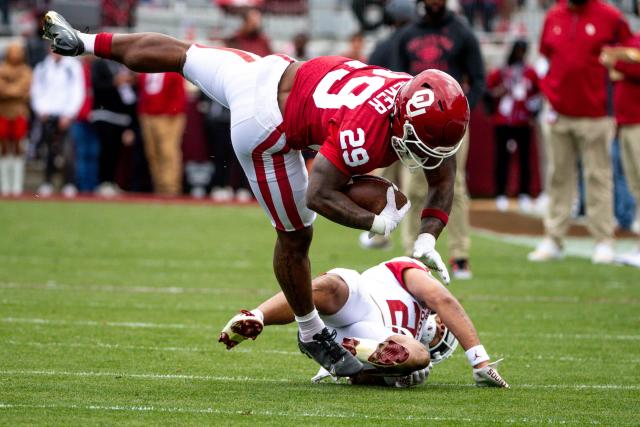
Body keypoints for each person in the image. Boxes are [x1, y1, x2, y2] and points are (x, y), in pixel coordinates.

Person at [43, 10, 468, 377]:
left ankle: (82, 40)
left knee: (182, 54)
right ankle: (311, 332)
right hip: (267, 128)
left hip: (269, 70)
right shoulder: (365, 130)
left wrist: (428, 237)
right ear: (402, 116)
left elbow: (443, 175)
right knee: (297, 235)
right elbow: (319, 193)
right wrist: (376, 223)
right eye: (417, 143)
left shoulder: (407, 93)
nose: (421, 156)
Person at [219, 256, 509, 388]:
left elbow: (416, 352)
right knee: (331, 287)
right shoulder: (411, 273)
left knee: (416, 358)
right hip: (365, 299)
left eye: (438, 340)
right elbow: (444, 300)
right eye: (445, 329)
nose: (441, 329)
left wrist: (398, 376)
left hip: (374, 338)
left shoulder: (412, 343)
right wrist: (480, 362)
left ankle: (335, 352)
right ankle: (257, 316)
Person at [529, 0, 632, 264]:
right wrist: (547, 89)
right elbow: (544, 56)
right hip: (559, 110)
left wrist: (612, 71)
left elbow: (630, 49)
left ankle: (603, 240)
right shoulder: (554, 15)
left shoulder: (610, 16)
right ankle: (553, 238)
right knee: (558, 176)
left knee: (598, 176)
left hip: (596, 112)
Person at [394, 0, 485, 280]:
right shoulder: (408, 34)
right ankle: (411, 253)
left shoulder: (462, 32)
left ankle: (460, 255)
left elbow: (478, 79)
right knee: (414, 186)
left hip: (451, 126)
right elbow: (396, 79)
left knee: (454, 186)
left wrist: (463, 113)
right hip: (414, 125)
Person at [486, 39, 540, 212]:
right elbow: (487, 92)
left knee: (524, 159)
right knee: (502, 158)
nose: (520, 54)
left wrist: (533, 114)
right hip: (503, 121)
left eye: (523, 51)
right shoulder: (501, 71)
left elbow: (537, 95)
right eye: (518, 50)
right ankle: (500, 194)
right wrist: (495, 100)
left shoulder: (530, 72)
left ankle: (524, 193)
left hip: (523, 121)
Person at [601, 38, 640, 267]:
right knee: (635, 186)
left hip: (637, 121)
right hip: (626, 121)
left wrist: (618, 63)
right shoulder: (631, 40)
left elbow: (617, 66)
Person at [30, 50, 84, 197]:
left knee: (67, 152)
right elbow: (36, 91)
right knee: (48, 151)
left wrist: (69, 114)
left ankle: (69, 183)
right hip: (47, 115)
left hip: (65, 116)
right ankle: (47, 182)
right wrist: (41, 110)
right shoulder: (42, 67)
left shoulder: (73, 67)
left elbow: (77, 91)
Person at [138, 72, 187, 196]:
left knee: (168, 152)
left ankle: (171, 188)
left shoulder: (172, 71)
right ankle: (159, 187)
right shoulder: (146, 70)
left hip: (168, 115)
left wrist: (173, 112)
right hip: (148, 114)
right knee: (152, 153)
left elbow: (179, 94)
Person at [0, 42, 31, 196]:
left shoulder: (26, 70)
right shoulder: (1, 69)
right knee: (4, 148)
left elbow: (25, 89)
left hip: (19, 112)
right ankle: (5, 186)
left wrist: (8, 89)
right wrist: (14, 90)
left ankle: (16, 186)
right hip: (3, 112)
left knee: (19, 147)